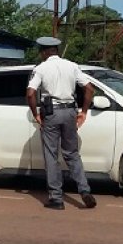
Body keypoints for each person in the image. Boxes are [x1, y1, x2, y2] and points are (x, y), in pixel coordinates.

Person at [26, 36, 97, 210]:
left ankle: (56, 199)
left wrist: (36, 114)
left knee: (51, 155)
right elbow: (89, 88)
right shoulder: (72, 66)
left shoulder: (41, 68)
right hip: (70, 112)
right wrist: (84, 111)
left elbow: (30, 93)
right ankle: (85, 191)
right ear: (56, 50)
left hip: (51, 113)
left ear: (43, 52)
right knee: (72, 153)